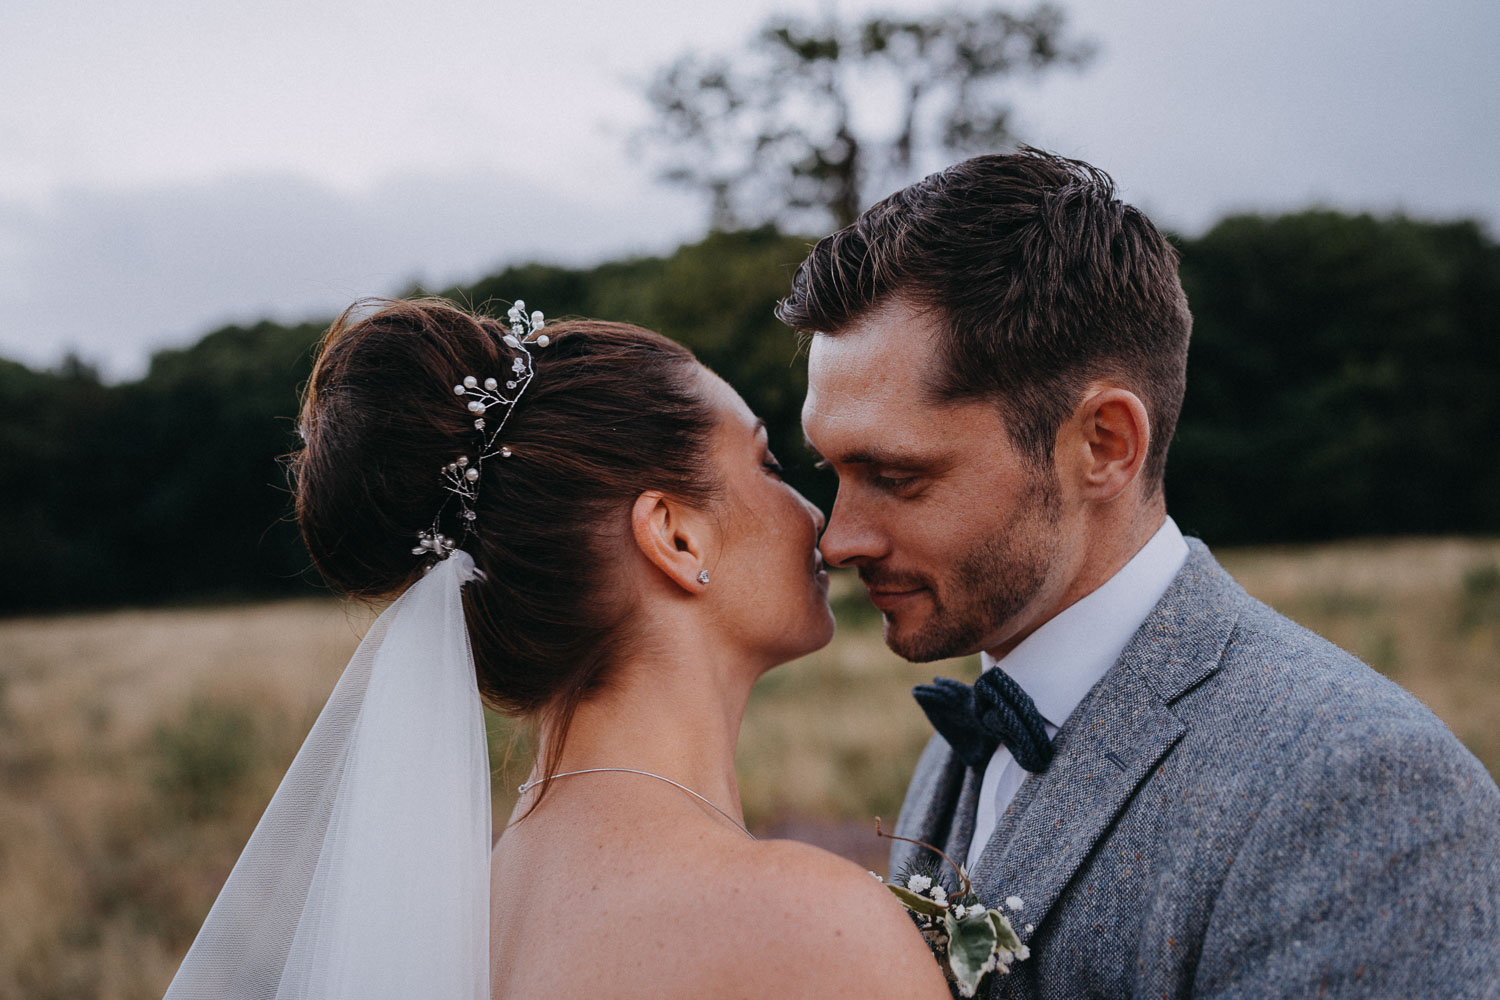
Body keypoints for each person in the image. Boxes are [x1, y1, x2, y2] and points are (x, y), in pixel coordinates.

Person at [779, 149, 1500, 998]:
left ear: (1105, 445)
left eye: (897, 477)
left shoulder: (1361, 788)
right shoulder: (973, 732)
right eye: (833, 474)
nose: (840, 540)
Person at [162, 298, 952, 999]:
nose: (823, 521)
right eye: (767, 463)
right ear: (673, 535)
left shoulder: (448, 932)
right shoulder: (815, 932)